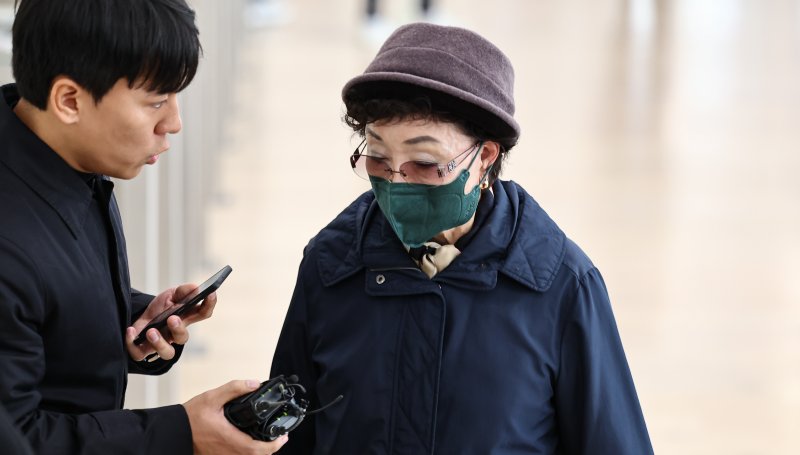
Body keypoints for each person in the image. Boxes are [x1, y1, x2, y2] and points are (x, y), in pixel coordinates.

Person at [270, 23, 654, 454]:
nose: (397, 181)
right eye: (378, 158)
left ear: (485, 158)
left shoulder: (563, 287)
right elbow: (287, 439)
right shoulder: (330, 265)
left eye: (424, 162)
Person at [0, 1, 287, 453]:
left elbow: (39, 311)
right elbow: (18, 439)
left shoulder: (63, 157)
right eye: (156, 101)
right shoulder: (10, 242)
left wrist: (130, 317)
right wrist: (182, 432)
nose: (173, 122)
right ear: (69, 100)